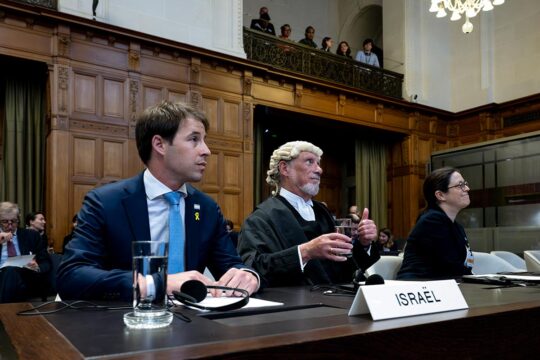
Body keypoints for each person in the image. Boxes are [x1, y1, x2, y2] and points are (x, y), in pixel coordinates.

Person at [57, 101, 259, 301]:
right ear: (159, 144)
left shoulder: (206, 208)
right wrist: (157, 284)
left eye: (204, 140)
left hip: (194, 324)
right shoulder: (105, 202)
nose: (206, 150)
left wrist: (248, 276)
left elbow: (232, 265)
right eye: (194, 139)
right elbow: (72, 275)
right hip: (122, 323)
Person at [237, 141, 378, 287]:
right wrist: (306, 252)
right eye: (309, 162)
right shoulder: (261, 218)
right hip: (294, 305)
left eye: (318, 163)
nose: (319, 170)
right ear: (285, 168)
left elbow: (346, 267)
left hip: (339, 300)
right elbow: (253, 269)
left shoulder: (323, 212)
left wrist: (364, 243)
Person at [397, 167, 474, 280]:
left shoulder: (456, 226)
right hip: (421, 289)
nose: (467, 188)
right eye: (460, 185)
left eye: (465, 184)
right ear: (440, 195)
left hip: (444, 286)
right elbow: (450, 266)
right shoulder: (432, 221)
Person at [0, 202, 51, 303]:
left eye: (14, 221)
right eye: (5, 221)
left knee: (11, 272)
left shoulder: (32, 236)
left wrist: (37, 267)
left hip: (25, 277)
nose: (10, 225)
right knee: (9, 273)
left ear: (18, 219)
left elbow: (46, 263)